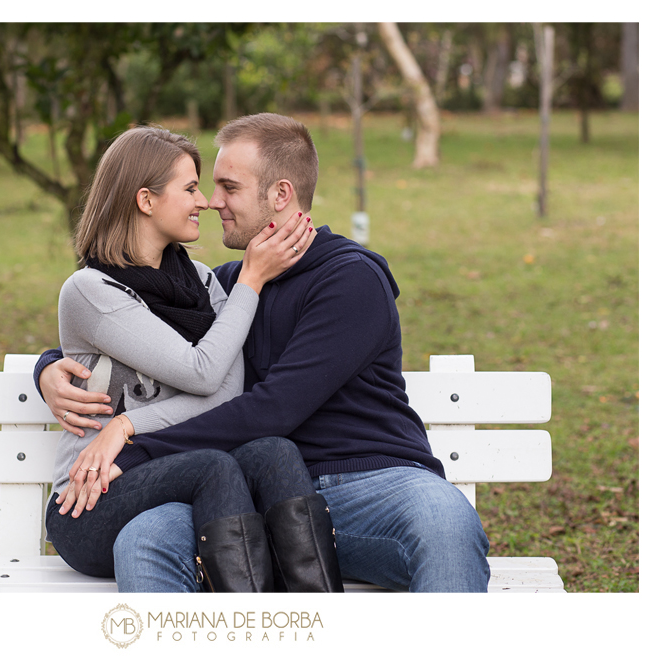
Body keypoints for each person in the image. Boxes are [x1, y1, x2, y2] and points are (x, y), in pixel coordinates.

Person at [37, 113, 491, 593]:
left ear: (280, 194)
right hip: (250, 490)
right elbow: (132, 333)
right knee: (145, 539)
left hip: (366, 484)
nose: (212, 203)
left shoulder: (349, 281)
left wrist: (130, 438)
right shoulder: (232, 284)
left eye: (228, 187)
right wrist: (48, 370)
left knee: (445, 520)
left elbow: (275, 407)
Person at [39, 125, 343, 593]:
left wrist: (130, 425)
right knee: (214, 465)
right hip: (92, 500)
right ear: (146, 200)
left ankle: (317, 621)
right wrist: (252, 281)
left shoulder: (201, 281)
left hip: (170, 473)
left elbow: (227, 392)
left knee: (275, 452)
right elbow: (201, 372)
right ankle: (245, 629)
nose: (204, 201)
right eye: (190, 188)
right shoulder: (91, 291)